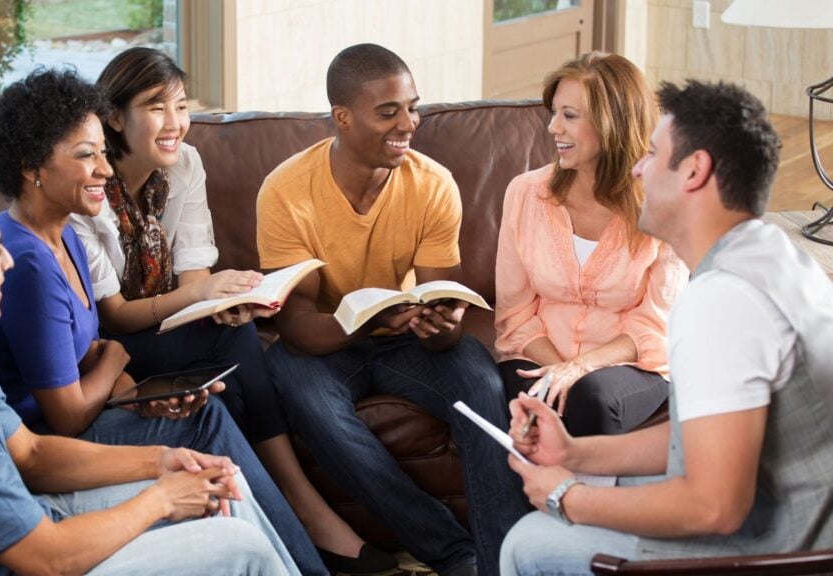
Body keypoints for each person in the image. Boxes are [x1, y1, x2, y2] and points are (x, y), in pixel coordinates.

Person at [0, 175, 292, 575]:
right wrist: (164, 498)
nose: (8, 263)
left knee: (217, 483)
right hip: (13, 561)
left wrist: (162, 460)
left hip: (28, 514)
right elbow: (46, 559)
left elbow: (30, 453)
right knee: (241, 545)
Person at [0, 68, 316, 576]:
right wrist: (117, 356)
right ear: (31, 168)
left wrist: (143, 391)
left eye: (102, 153)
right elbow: (67, 412)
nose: (105, 170)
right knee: (205, 421)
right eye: (85, 155)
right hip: (44, 438)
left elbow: (87, 350)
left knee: (201, 410)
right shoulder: (25, 261)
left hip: (78, 414)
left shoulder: (63, 232)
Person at [67, 47, 395, 574]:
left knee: (235, 339)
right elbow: (117, 315)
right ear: (113, 117)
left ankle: (275, 522)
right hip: (112, 345)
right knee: (235, 348)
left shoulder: (185, 164)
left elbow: (195, 271)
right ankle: (302, 512)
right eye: (156, 107)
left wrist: (220, 301)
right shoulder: (88, 190)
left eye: (180, 105)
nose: (175, 123)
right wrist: (200, 297)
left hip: (167, 325)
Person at [499, 80, 833, 575]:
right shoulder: (774, 253)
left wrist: (567, 497)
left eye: (653, 154)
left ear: (694, 172)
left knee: (528, 542)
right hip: (791, 509)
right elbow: (702, 431)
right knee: (615, 486)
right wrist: (575, 452)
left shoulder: (721, 301)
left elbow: (713, 508)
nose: (637, 167)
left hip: (780, 547)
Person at [256, 43, 528, 576]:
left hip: (403, 336)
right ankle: (454, 554)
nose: (409, 123)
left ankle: (504, 559)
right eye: (388, 112)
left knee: (481, 382)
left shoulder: (432, 184)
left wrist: (442, 328)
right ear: (343, 116)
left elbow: (440, 311)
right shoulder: (286, 192)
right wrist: (365, 321)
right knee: (301, 391)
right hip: (326, 343)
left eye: (412, 107)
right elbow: (296, 328)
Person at [495, 51, 687, 437]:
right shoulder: (526, 193)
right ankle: (543, 498)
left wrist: (581, 367)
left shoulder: (667, 202)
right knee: (525, 394)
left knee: (590, 397)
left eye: (569, 115)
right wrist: (556, 371)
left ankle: (584, 498)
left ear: (611, 123)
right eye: (554, 113)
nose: (552, 128)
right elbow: (513, 312)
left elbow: (655, 322)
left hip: (630, 364)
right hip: (538, 354)